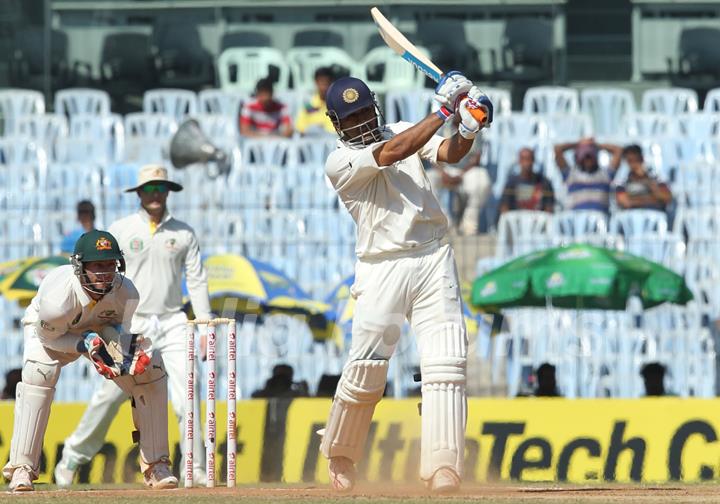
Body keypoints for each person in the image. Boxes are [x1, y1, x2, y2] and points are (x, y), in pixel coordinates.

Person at [320, 73, 493, 493]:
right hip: (382, 266)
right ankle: (341, 453)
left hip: (433, 254)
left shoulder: (399, 129)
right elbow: (395, 151)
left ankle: (443, 466)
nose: (361, 121)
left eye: (364, 110)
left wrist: (467, 127)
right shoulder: (339, 161)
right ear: (336, 122)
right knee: (367, 369)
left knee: (447, 361)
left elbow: (449, 153)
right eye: (351, 116)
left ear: (375, 105)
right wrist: (445, 111)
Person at [54, 165, 212, 487]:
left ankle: (195, 468)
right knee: (109, 397)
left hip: (173, 321)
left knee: (187, 395)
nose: (155, 195)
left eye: (160, 188)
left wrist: (205, 327)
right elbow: (101, 277)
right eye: (149, 189)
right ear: (139, 193)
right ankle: (72, 455)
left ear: (167, 192)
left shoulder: (183, 233)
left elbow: (196, 280)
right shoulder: (121, 229)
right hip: (130, 322)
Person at [3, 230, 177, 492]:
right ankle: (22, 469)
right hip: (53, 332)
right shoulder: (57, 301)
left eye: (110, 265)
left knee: (150, 369)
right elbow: (48, 339)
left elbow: (120, 329)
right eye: (97, 266)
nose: (105, 273)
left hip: (102, 326)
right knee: (40, 373)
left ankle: (156, 465)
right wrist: (85, 344)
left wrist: (129, 354)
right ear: (80, 267)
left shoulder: (126, 292)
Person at [427, 142, 492, 235]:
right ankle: (442, 223)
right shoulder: (437, 127)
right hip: (443, 170)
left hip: (466, 170)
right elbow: (430, 154)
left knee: (481, 180)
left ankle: (469, 225)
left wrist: (461, 175)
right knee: (428, 178)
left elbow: (476, 158)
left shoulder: (474, 127)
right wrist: (443, 173)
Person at [554, 138, 623, 213]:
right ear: (579, 159)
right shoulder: (570, 175)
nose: (588, 160)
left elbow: (618, 150)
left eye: (590, 157)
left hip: (600, 219)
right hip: (576, 219)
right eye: (585, 157)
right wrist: (579, 143)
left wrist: (594, 145)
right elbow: (557, 149)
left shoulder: (606, 175)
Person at [615, 144, 672, 212]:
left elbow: (667, 198)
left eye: (636, 160)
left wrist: (649, 183)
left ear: (642, 159)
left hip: (654, 215)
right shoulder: (623, 182)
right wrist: (653, 200)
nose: (634, 164)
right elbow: (626, 203)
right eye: (630, 161)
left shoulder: (656, 178)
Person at [500, 148, 555, 213]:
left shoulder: (545, 182)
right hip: (516, 221)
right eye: (523, 159)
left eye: (529, 159)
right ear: (519, 161)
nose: (526, 163)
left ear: (533, 160)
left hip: (538, 220)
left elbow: (549, 208)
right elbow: (504, 206)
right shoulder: (511, 183)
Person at [295, 66, 336, 136]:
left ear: (332, 83)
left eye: (327, 83)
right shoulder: (309, 106)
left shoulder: (339, 105)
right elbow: (300, 129)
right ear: (316, 82)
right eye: (322, 83)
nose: (324, 87)